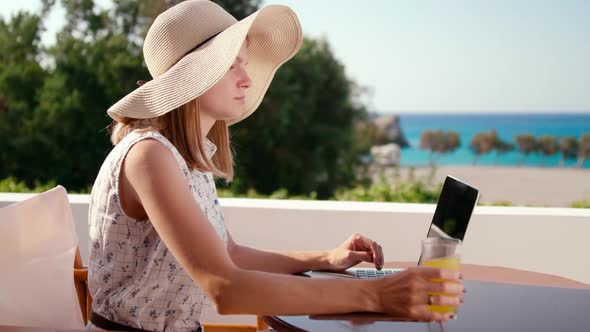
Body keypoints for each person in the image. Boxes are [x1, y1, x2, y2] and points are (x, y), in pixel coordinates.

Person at [87, 1, 464, 331]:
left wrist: (327, 259)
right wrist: (376, 294)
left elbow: (229, 255)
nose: (247, 79)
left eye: (245, 65)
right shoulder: (150, 157)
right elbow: (226, 288)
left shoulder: (185, 159)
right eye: (232, 65)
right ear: (194, 74)